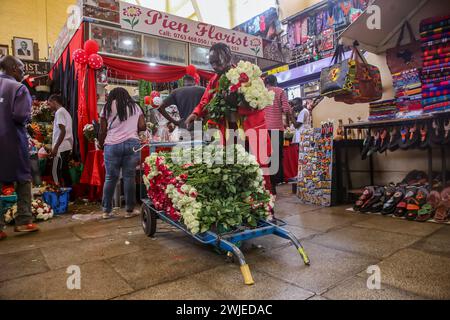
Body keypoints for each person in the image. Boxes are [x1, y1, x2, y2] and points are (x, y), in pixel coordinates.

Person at [0, 56, 39, 240]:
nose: (23, 73)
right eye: (22, 69)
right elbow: (21, 116)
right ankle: (23, 221)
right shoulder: (18, 88)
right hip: (12, 141)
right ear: (14, 68)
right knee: (23, 179)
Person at [98, 87, 146, 219]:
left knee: (110, 178)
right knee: (129, 177)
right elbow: (142, 126)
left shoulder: (107, 107)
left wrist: (101, 144)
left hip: (112, 145)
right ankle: (129, 210)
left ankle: (106, 211)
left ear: (112, 96)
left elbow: (102, 130)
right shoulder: (135, 106)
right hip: (132, 144)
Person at [264, 75, 295, 195]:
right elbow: (286, 109)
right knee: (276, 156)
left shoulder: (261, 93)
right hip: (276, 128)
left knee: (266, 156)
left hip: (264, 128)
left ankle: (269, 184)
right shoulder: (280, 91)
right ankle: (275, 184)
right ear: (275, 82)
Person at [48, 94, 73, 187]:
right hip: (64, 145)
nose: (49, 107)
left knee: (60, 170)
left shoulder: (60, 112)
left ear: (54, 102)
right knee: (62, 170)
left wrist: (55, 147)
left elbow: (63, 131)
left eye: (49, 104)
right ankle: (66, 192)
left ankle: (66, 193)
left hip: (62, 146)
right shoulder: (64, 111)